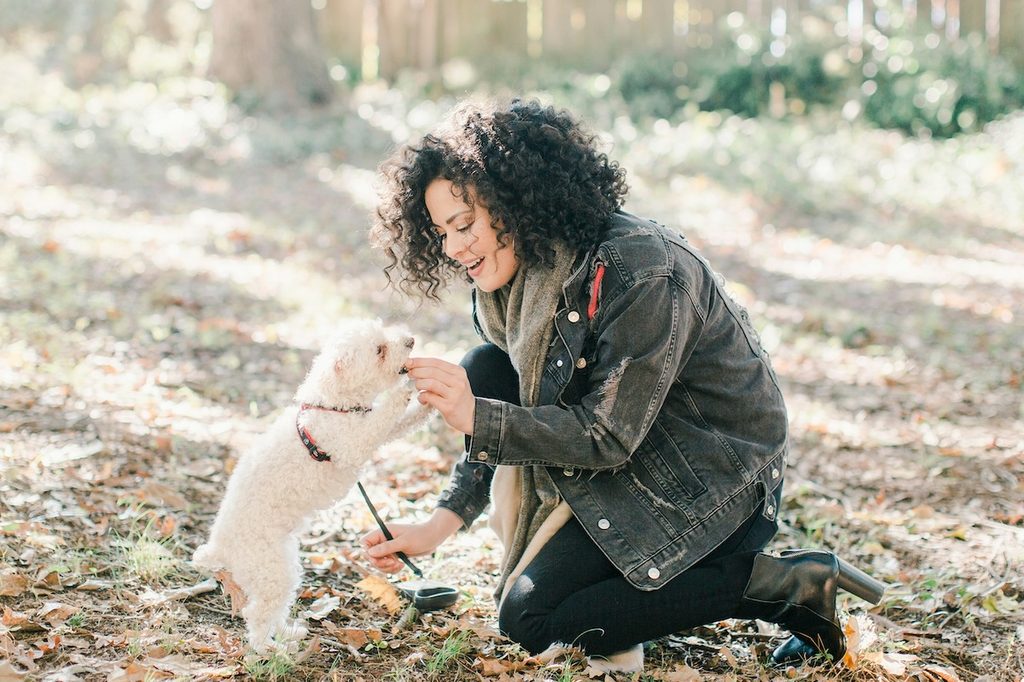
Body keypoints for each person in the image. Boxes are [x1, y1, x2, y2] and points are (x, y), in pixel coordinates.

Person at [362, 98, 882, 670]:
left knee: (530, 621)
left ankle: (783, 586)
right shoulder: (512, 284)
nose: (454, 248)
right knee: (485, 366)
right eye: (441, 232)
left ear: (515, 203)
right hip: (632, 464)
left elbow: (607, 437)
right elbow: (498, 389)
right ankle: (638, 600)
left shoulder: (639, 271)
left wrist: (477, 418)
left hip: (712, 485)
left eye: (464, 225)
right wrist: (440, 524)